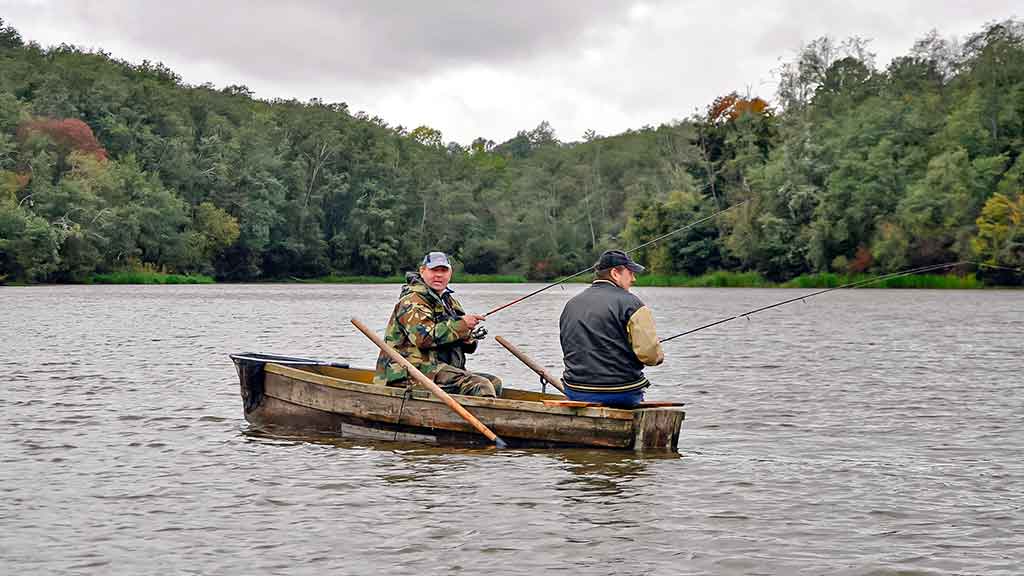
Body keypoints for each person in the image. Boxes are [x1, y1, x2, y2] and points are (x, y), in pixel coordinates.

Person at [373, 251, 503, 397]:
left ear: (450, 273)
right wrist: (461, 325)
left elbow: (462, 343)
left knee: (494, 382)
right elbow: (424, 339)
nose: (439, 275)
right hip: (409, 373)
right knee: (481, 385)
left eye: (443, 270)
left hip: (438, 370)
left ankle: (462, 417)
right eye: (434, 270)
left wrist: (468, 337)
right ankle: (482, 418)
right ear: (422, 271)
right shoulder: (412, 301)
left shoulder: (449, 302)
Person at [558, 249, 664, 407]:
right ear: (615, 273)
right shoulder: (632, 304)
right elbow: (651, 357)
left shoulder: (571, 304)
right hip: (621, 392)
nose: (634, 278)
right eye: (630, 273)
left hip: (576, 391)